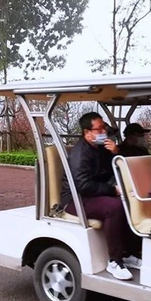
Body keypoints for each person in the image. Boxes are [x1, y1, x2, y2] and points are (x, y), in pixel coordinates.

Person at [60, 112, 142, 280]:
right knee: (115, 207)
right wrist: (112, 191)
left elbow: (115, 168)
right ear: (86, 133)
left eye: (104, 128)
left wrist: (116, 152)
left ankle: (128, 252)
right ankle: (114, 261)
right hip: (75, 199)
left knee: (130, 202)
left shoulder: (101, 148)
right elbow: (82, 185)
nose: (103, 132)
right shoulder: (80, 153)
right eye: (98, 129)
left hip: (93, 194)